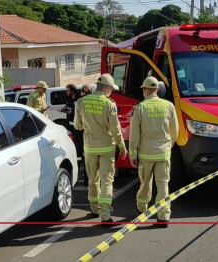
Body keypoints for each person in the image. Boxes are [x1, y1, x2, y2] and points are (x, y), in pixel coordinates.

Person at [74, 74, 127, 227]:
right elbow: (116, 129)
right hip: (107, 148)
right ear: (106, 88)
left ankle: (94, 209)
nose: (111, 92)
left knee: (92, 180)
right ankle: (105, 215)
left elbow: (78, 127)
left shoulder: (81, 102)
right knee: (107, 181)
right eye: (111, 89)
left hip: (90, 148)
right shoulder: (109, 104)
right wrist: (122, 146)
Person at [128, 76, 179, 228]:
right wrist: (169, 144)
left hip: (145, 154)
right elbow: (175, 130)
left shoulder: (139, 108)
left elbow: (134, 134)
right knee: (163, 185)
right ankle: (163, 216)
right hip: (163, 153)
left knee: (145, 183)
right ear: (157, 90)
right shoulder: (169, 106)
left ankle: (142, 208)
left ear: (144, 90)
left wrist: (132, 153)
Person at [72, 84, 93, 186]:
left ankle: (74, 179)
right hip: (90, 133)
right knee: (88, 158)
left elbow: (77, 123)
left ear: (82, 92)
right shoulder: (95, 101)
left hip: (80, 132)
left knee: (78, 157)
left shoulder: (79, 102)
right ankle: (87, 180)